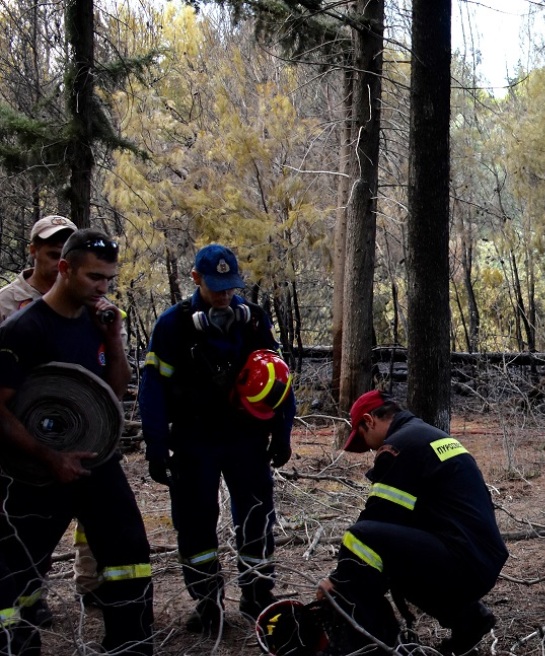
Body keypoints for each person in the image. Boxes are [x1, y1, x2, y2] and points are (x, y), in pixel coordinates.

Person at [0, 228, 154, 655]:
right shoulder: (23, 328)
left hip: (96, 464)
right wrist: (49, 457)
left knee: (130, 555)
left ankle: (130, 645)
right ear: (64, 269)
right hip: (36, 472)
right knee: (18, 572)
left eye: (108, 278)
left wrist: (112, 341)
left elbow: (116, 392)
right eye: (93, 278)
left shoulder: (98, 321)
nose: (102, 287)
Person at [139, 243, 296, 633]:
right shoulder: (172, 326)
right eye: (216, 286)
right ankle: (207, 603)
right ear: (196, 279)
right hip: (195, 441)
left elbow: (279, 379)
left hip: (246, 439)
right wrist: (156, 445)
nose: (225, 294)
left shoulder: (255, 321)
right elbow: (153, 388)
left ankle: (257, 594)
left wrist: (282, 431)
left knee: (257, 518)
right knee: (195, 524)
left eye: (231, 286)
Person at [316, 391, 507, 656]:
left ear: (369, 421)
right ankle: (469, 618)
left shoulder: (398, 447)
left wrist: (338, 581)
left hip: (461, 562)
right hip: (481, 559)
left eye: (364, 440)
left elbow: (378, 517)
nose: (370, 448)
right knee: (395, 557)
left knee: (358, 538)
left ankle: (378, 646)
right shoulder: (429, 436)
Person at [0, 215, 76, 321]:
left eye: (67, 257)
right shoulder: (5, 302)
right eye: (54, 255)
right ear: (33, 251)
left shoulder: (84, 298)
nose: (61, 264)